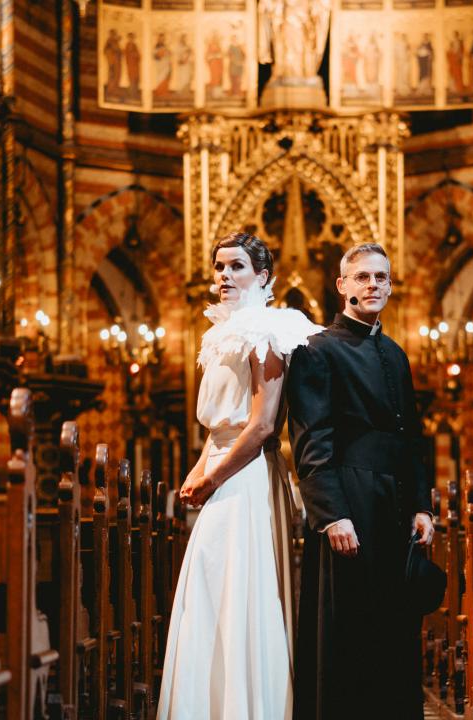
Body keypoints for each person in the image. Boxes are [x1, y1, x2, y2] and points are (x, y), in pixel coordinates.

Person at [157, 232, 322, 720]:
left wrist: (212, 479)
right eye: (219, 267)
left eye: (236, 267)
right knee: (209, 588)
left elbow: (263, 424)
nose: (224, 276)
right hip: (221, 467)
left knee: (239, 590)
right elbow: (216, 429)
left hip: (247, 477)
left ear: (262, 276)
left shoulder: (269, 332)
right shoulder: (217, 334)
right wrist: (197, 472)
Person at [286, 242, 435, 720]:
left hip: (393, 508)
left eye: (382, 278)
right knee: (347, 632)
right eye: (364, 277)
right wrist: (331, 516)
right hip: (348, 503)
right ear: (342, 285)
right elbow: (312, 440)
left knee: (394, 629)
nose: (374, 285)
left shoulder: (395, 353)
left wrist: (422, 506)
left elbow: (412, 438)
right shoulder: (317, 350)